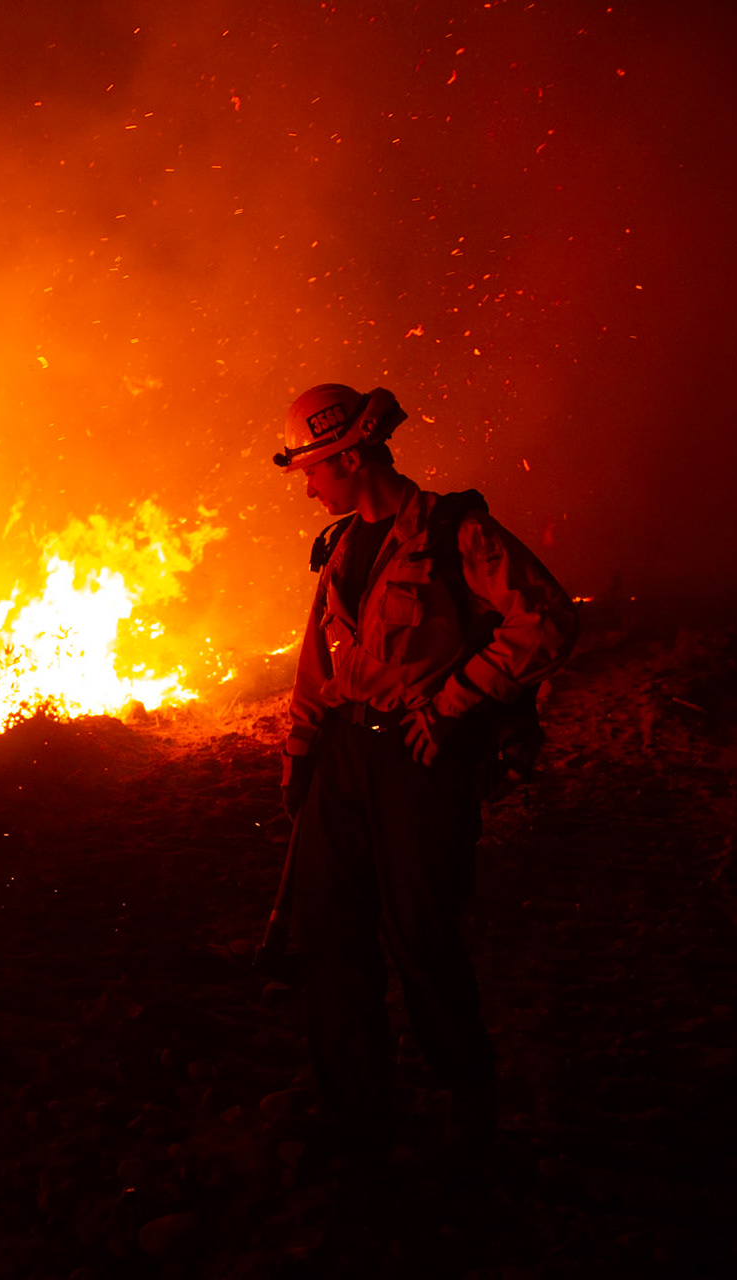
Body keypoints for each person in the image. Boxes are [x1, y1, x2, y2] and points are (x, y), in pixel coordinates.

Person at [271, 382, 578, 1165]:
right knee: (331, 937)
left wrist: (451, 703)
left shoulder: (455, 533)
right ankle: (356, 1114)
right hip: (344, 753)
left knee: (420, 937)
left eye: (312, 467)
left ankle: (468, 1105)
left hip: (418, 759)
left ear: (349, 455)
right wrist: (300, 752)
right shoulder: (342, 549)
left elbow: (545, 619)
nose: (306, 483)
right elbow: (318, 665)